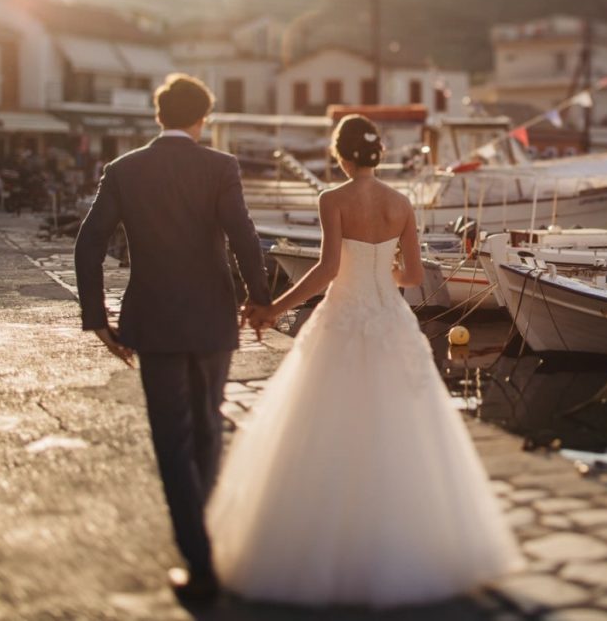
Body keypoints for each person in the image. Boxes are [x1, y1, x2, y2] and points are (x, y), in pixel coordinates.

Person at [209, 115, 522, 608]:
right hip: (391, 320)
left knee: (330, 426)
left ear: (341, 155)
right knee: (399, 429)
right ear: (377, 154)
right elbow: (413, 275)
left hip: (344, 317)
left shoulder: (332, 199)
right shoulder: (401, 204)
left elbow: (328, 269)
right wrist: (382, 272)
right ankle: (405, 545)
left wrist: (275, 306)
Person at [74, 73, 270, 602]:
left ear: (158, 115)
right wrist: (260, 299)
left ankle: (199, 558)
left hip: (154, 321)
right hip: (213, 318)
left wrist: (98, 318)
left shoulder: (123, 170)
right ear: (203, 118)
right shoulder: (220, 167)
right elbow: (244, 236)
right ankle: (204, 536)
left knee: (172, 438)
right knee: (208, 426)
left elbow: (89, 244)